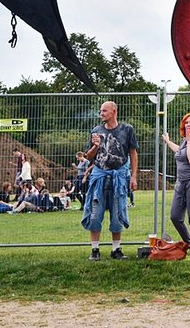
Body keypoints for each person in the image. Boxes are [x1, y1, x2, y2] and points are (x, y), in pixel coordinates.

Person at [81, 100, 139, 261]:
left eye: (104, 111)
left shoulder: (127, 130)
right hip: (99, 178)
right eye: (101, 111)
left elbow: (133, 154)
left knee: (117, 213)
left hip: (119, 178)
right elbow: (88, 157)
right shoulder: (96, 131)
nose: (101, 114)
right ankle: (95, 250)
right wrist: (95, 146)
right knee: (95, 214)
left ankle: (116, 249)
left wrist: (133, 176)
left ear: (114, 111)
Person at [162, 112, 190, 260]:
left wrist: (189, 141)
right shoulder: (184, 141)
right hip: (181, 182)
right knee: (175, 216)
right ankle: (189, 242)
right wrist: (168, 142)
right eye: (186, 122)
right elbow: (179, 151)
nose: (188, 125)